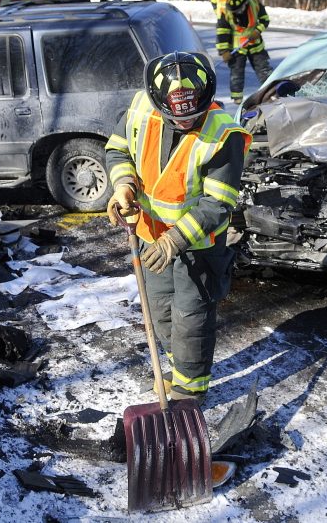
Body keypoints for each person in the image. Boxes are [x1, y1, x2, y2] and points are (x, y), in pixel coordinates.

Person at [105, 51, 251, 405]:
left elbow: (218, 203)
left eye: (193, 115)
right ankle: (177, 370)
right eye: (175, 116)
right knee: (161, 311)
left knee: (191, 317)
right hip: (148, 237)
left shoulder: (223, 134)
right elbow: (118, 150)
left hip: (197, 245)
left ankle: (191, 389)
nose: (185, 122)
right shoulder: (141, 107)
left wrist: (176, 239)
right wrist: (123, 186)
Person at [215, 0, 272, 104]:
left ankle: (272, 92)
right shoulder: (226, 12)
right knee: (236, 72)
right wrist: (224, 51)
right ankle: (237, 98)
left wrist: (257, 31)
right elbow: (222, 32)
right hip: (238, 47)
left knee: (264, 70)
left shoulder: (255, 5)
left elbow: (264, 19)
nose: (237, 13)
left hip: (255, 44)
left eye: (239, 10)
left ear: (245, 4)